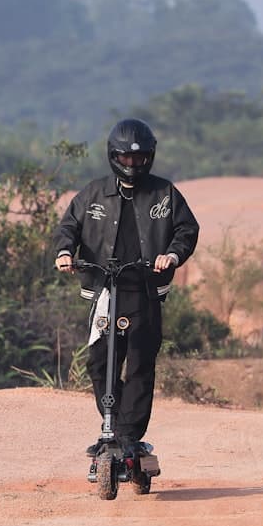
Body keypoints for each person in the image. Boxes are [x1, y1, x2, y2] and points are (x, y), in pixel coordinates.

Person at [53, 117, 199, 458]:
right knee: (99, 362)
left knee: (139, 363)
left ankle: (129, 437)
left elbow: (187, 230)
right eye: (126, 158)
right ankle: (114, 427)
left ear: (150, 157)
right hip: (105, 292)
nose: (133, 164)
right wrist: (64, 252)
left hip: (145, 292)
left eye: (140, 158)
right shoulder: (93, 193)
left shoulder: (164, 193)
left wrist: (172, 256)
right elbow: (68, 227)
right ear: (113, 156)